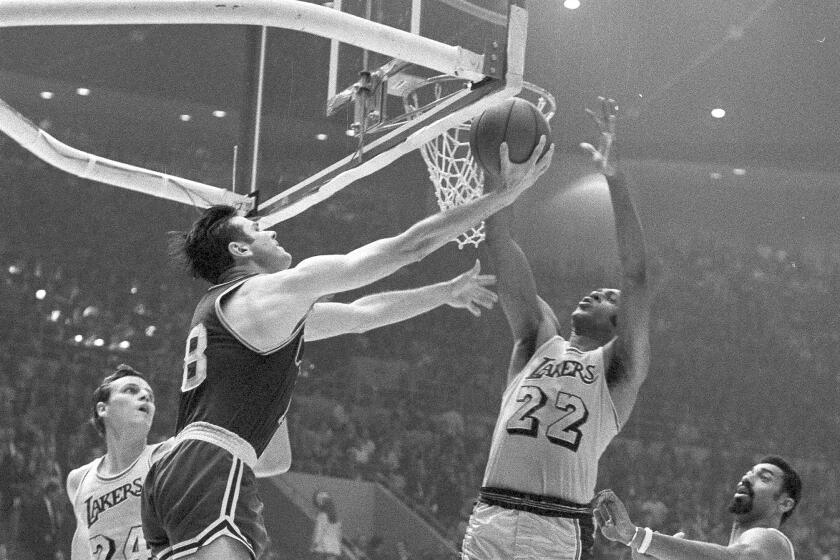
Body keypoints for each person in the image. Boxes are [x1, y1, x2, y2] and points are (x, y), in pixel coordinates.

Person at [141, 137, 553, 560]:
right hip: (211, 466)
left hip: (175, 471)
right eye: (259, 229)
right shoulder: (269, 292)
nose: (274, 230)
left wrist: (443, 292)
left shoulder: (237, 311)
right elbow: (407, 247)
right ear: (240, 249)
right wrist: (502, 196)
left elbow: (362, 314)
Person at [460, 98, 650, 560]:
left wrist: (615, 178)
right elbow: (500, 245)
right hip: (492, 517)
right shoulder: (537, 339)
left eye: (608, 297)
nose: (594, 294)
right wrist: (498, 178)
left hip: (555, 527)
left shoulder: (618, 370)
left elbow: (638, 276)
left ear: (620, 324)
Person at [594, 456, 801, 560]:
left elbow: (739, 558)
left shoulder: (773, 540)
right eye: (749, 473)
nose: (747, 477)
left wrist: (638, 537)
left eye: (764, 478)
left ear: (785, 503)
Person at [66, 364, 172, 560]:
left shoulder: (168, 456)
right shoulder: (79, 480)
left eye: (150, 395)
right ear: (102, 409)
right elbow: (81, 551)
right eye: (131, 390)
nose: (145, 396)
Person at [310, 491, 341, 560]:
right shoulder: (336, 518)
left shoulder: (322, 515)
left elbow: (319, 532)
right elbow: (338, 534)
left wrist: (314, 544)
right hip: (334, 548)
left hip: (323, 547)